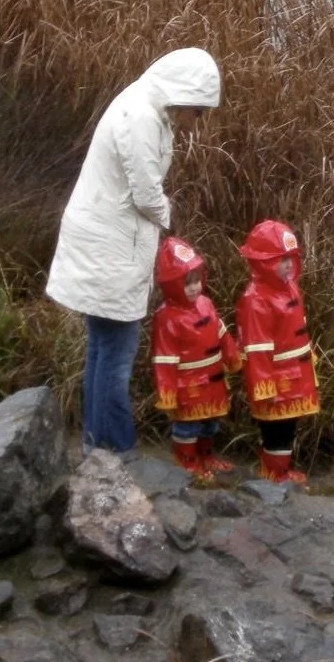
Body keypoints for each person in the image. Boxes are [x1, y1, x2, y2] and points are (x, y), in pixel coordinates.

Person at [46, 47, 221, 453]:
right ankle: (116, 451)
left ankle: (95, 445)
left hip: (107, 242)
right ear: (184, 97)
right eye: (198, 111)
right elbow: (145, 193)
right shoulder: (141, 117)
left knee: (102, 348)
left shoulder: (146, 106)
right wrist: (168, 215)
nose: (197, 122)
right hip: (110, 249)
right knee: (117, 355)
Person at [150, 235, 242, 480]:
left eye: (196, 281)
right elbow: (164, 359)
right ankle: (187, 461)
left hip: (213, 380)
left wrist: (231, 356)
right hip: (188, 384)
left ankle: (207, 456)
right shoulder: (166, 317)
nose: (193, 287)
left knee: (211, 422)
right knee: (188, 426)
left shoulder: (206, 304)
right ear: (171, 285)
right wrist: (167, 392)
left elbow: (220, 332)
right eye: (185, 283)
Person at [235, 219, 320, 484]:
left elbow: (298, 327)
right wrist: (264, 385)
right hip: (277, 379)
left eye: (290, 258)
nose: (288, 265)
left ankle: (277, 469)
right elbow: (257, 349)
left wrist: (308, 358)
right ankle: (275, 472)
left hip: (295, 373)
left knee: (287, 425)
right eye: (281, 260)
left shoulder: (290, 287)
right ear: (262, 263)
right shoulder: (256, 299)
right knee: (277, 428)